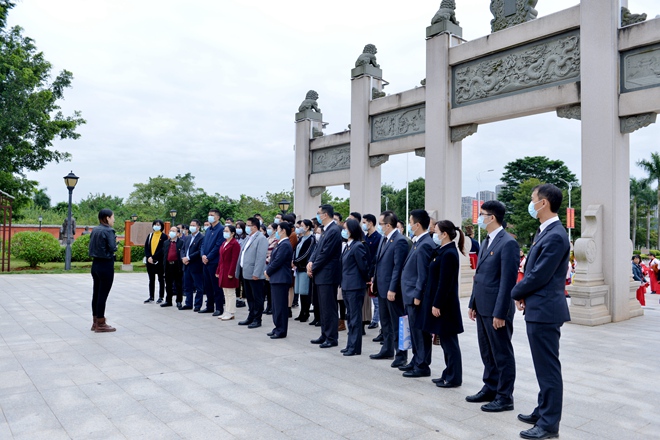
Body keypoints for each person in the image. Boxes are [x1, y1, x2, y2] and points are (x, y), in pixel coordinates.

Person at [511, 183, 571, 440]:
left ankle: (549, 424)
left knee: (548, 368)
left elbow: (539, 275)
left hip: (546, 310)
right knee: (543, 366)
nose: (531, 203)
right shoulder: (545, 231)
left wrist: (516, 292)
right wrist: (525, 295)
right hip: (540, 306)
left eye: (533, 199)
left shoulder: (556, 235)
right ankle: (542, 410)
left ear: (543, 203)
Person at [466, 200, 519, 413]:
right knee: (487, 351)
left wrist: (500, 312)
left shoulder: (508, 243)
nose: (479, 218)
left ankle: (505, 396)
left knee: (501, 353)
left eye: (482, 214)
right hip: (482, 306)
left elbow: (507, 282)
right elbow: (480, 275)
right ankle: (490, 387)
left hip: (497, 309)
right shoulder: (487, 240)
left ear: (492, 217)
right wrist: (473, 302)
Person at [419, 220, 465, 388]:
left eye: (436, 232)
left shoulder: (449, 254)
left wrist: (437, 304)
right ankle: (448, 373)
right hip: (440, 303)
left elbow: (445, 283)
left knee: (449, 342)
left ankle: (454, 377)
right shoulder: (442, 251)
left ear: (444, 234)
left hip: (446, 306)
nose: (434, 234)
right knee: (445, 342)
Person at [370, 211, 409, 368]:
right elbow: (379, 262)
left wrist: (393, 288)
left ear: (388, 225)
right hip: (381, 287)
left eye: (380, 224)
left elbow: (398, 267)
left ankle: (401, 355)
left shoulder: (400, 241)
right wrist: (374, 280)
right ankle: (387, 349)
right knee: (385, 321)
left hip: (392, 290)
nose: (379, 227)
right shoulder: (384, 239)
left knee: (397, 323)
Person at [400, 209, 436, 378]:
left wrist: (417, 295)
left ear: (418, 225)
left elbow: (423, 275)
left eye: (410, 222)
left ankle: (422, 365)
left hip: (415, 295)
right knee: (414, 331)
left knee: (420, 332)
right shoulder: (418, 242)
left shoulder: (425, 244)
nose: (409, 225)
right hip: (409, 294)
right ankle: (416, 359)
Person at [307, 204, 342, 348]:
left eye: (319, 213)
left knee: (329, 307)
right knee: (322, 307)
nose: (317, 216)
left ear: (325, 214)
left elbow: (326, 253)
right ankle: (324, 334)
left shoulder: (334, 230)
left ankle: (331, 337)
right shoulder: (325, 230)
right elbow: (317, 249)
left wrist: (313, 267)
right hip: (320, 274)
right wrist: (310, 262)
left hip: (328, 274)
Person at [340, 219, 369, 356]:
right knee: (350, 316)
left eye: (345, 228)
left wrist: (364, 280)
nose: (344, 231)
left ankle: (355, 347)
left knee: (355, 318)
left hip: (355, 286)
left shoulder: (358, 246)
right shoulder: (348, 246)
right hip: (346, 285)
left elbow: (363, 267)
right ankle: (350, 344)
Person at [89, 209, 118, 333]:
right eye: (112, 217)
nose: (114, 220)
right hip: (106, 264)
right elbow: (112, 248)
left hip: (95, 264)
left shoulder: (95, 230)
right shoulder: (109, 231)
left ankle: (95, 321)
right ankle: (101, 323)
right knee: (102, 295)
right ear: (107, 218)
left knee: (96, 293)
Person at [237, 217, 269, 328]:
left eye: (248, 225)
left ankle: (257, 319)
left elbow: (260, 258)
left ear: (254, 227)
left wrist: (257, 273)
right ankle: (251, 316)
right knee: (249, 297)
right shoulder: (248, 238)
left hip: (255, 274)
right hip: (246, 272)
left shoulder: (261, 238)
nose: (246, 227)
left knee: (257, 297)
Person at [265, 222, 294, 339]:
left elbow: (278, 261)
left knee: (281, 306)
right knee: (276, 306)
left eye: (277, 229)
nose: (276, 232)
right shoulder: (280, 243)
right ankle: (277, 327)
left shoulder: (285, 244)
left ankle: (281, 330)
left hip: (281, 278)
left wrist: (268, 271)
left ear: (283, 231)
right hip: (276, 278)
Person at [200, 209, 225, 315]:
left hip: (214, 262)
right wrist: (203, 255)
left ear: (217, 217)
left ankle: (219, 308)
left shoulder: (221, 229)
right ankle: (209, 306)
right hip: (205, 262)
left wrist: (208, 257)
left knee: (216, 286)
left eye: (212, 215)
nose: (209, 216)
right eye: (209, 214)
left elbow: (218, 246)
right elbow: (203, 244)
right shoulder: (208, 230)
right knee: (207, 285)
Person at [215, 224, 241, 320]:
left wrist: (231, 273)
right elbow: (221, 259)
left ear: (232, 233)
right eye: (224, 231)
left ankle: (231, 312)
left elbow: (234, 260)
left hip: (229, 270)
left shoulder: (235, 244)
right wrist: (218, 270)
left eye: (227, 231)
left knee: (230, 293)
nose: (224, 233)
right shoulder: (224, 243)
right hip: (223, 270)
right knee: (225, 292)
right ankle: (226, 311)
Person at [362, 214, 382, 331]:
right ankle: (368, 319)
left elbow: (376, 257)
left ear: (371, 223)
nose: (363, 225)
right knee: (366, 299)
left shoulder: (378, 238)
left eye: (364, 222)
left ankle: (375, 320)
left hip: (373, 272)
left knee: (376, 299)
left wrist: (372, 273)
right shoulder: (365, 238)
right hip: (365, 272)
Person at [293, 220, 316, 322]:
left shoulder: (311, 239)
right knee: (300, 292)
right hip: (298, 267)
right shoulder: (301, 238)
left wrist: (296, 261)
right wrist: (294, 260)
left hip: (304, 267)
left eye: (302, 226)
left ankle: (305, 312)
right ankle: (302, 312)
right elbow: (296, 251)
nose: (300, 228)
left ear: (307, 227)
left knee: (305, 291)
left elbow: (306, 253)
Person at [180, 219, 205, 311]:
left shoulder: (201, 237)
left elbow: (199, 251)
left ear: (198, 227)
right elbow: (183, 249)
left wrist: (189, 258)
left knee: (198, 287)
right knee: (187, 286)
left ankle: (197, 305)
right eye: (191, 225)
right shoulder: (188, 237)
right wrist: (183, 258)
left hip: (196, 265)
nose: (192, 227)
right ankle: (188, 303)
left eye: (194, 225)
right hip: (186, 265)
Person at [144, 220, 167, 304]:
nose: (156, 226)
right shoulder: (150, 235)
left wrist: (154, 257)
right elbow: (146, 247)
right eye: (155, 224)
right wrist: (149, 257)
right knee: (151, 279)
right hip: (150, 261)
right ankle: (151, 296)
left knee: (161, 279)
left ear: (161, 226)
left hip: (159, 261)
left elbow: (162, 249)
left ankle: (161, 297)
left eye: (158, 225)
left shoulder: (164, 236)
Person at [161, 226, 185, 308]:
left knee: (178, 284)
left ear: (178, 233)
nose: (171, 232)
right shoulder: (166, 243)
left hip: (177, 265)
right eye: (170, 230)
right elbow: (164, 254)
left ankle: (179, 301)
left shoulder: (181, 242)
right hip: (168, 265)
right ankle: (168, 301)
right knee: (168, 284)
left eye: (174, 231)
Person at [263, 223, 279, 315]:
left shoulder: (276, 240)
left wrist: (267, 260)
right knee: (267, 288)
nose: (268, 230)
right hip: (265, 264)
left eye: (270, 228)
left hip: (270, 264)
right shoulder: (267, 239)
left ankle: (272, 306)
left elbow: (272, 253)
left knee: (271, 288)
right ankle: (268, 305)